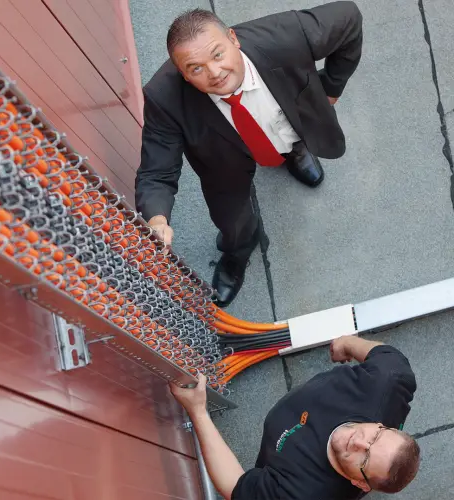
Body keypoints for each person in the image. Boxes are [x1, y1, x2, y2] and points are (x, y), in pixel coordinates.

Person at [135, 2, 363, 307]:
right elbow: (156, 171)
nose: (214, 73)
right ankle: (239, 249)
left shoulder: (288, 36)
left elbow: (349, 17)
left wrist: (332, 86)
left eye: (217, 54)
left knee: (288, 134)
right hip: (222, 159)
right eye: (196, 69)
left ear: (233, 39)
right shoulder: (163, 97)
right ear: (183, 74)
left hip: (284, 120)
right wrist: (157, 219)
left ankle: (293, 152)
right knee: (233, 221)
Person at [171, 335, 420, 499]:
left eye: (364, 458)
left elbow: (235, 487)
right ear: (381, 425)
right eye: (375, 437)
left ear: (360, 485)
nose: (358, 441)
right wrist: (346, 342)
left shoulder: (301, 494)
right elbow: (388, 356)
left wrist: (198, 412)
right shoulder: (389, 382)